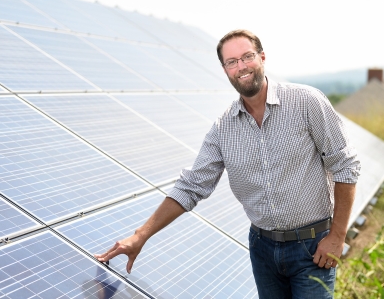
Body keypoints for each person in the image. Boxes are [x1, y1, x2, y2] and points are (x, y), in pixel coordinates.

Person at [95, 29, 361, 298]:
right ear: (225, 70)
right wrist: (140, 236)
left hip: (313, 247)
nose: (241, 67)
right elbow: (191, 187)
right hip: (263, 250)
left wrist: (337, 236)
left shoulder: (306, 102)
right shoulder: (224, 129)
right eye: (231, 62)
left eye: (247, 57)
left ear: (262, 57)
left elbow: (345, 165)